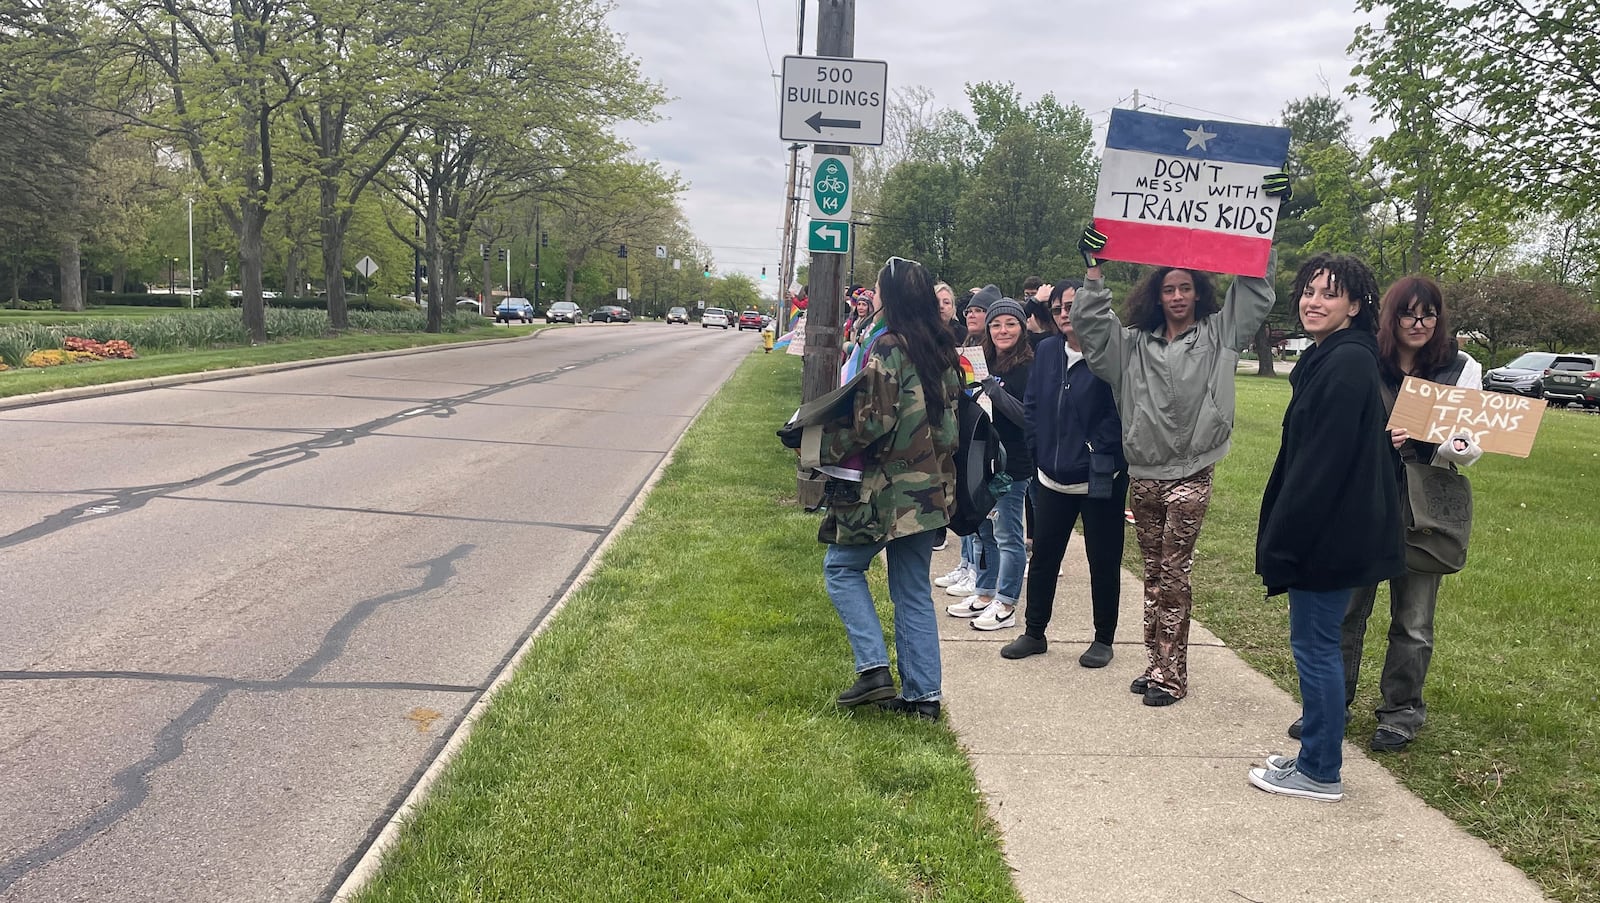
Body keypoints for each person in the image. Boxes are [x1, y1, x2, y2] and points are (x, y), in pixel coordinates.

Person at [1072, 200, 1281, 706]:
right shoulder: (1132, 347)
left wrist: (1265, 229)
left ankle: (1173, 676)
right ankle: (1157, 663)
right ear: (1156, 295)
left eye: (1186, 287)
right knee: (1152, 573)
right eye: (1169, 288)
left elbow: (1252, 293)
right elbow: (1094, 334)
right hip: (1144, 472)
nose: (1178, 295)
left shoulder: (1219, 334)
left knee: (1174, 573)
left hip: (1192, 471)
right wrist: (1093, 275)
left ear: (1198, 292)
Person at [1284, 275, 1483, 751]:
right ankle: (1335, 702)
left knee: (1414, 618)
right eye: (1407, 314)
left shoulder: (1461, 367)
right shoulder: (1365, 359)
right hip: (1364, 497)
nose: (1418, 324)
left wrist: (1433, 438)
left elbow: (1472, 447)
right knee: (1346, 608)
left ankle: (1400, 711)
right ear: (1389, 316)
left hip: (1425, 503)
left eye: (1428, 314)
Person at [1252, 253, 1405, 801]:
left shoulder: (1347, 363)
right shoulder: (1333, 356)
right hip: (1335, 531)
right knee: (1317, 644)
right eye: (1309, 291)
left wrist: (1286, 541)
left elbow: (1323, 464)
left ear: (1355, 306)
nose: (1314, 301)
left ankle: (1319, 770)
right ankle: (1315, 756)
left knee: (1316, 647)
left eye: (1330, 294)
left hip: (1330, 536)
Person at [818, 255, 963, 721]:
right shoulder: (942, 347)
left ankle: (874, 669)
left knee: (840, 567)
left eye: (878, 290)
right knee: (913, 590)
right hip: (933, 490)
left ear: (893, 297)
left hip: (887, 490)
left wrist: (819, 444)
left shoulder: (888, 347)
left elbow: (873, 421)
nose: (873, 297)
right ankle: (924, 699)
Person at [999, 279, 1128, 663]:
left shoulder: (1110, 353)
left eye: (1072, 306)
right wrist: (1037, 450)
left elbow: (1121, 411)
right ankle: (1034, 632)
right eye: (1058, 308)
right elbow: (1034, 404)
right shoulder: (1049, 350)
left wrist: (1094, 451)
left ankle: (1103, 638)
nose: (1065, 314)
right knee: (1044, 558)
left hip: (1098, 478)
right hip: (1051, 477)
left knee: (1102, 561)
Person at [945, 297, 1034, 631]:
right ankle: (984, 592)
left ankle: (1007, 603)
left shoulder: (1029, 367)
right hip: (980, 458)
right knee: (982, 529)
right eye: (996, 324)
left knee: (1008, 534)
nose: (1002, 330)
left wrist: (995, 393)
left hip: (1012, 463)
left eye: (1010, 323)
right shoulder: (980, 362)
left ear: (1022, 328)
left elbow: (1028, 417)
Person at [935, 284, 1001, 599]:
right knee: (964, 508)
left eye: (980, 310)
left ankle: (982, 578)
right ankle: (966, 564)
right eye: (970, 309)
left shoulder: (994, 348)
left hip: (985, 437)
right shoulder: (965, 342)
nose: (972, 314)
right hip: (964, 431)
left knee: (984, 518)